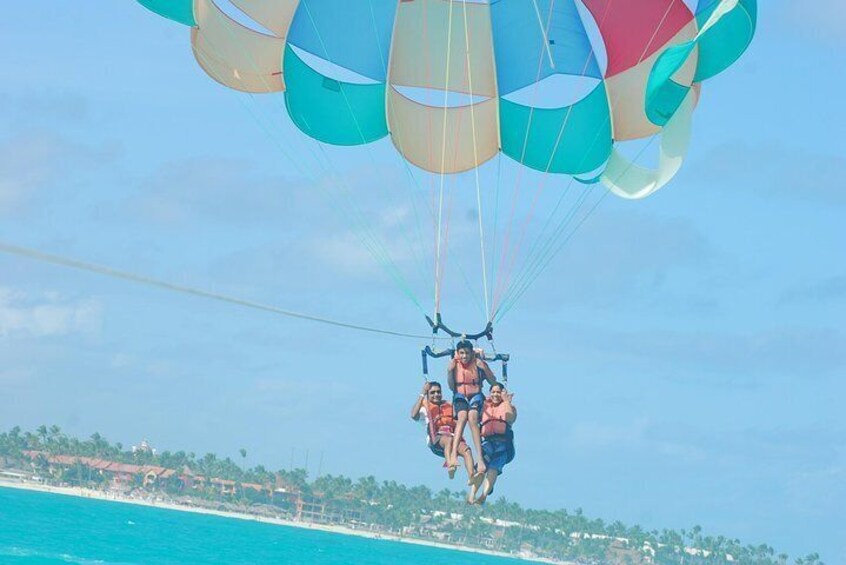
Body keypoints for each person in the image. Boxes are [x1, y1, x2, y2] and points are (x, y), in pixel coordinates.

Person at [447, 340, 497, 476]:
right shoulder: (455, 365)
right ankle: (453, 455)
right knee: (462, 417)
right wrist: (449, 372)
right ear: (458, 353)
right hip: (460, 396)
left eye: (467, 353)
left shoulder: (478, 364)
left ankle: (480, 460)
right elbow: (452, 387)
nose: (464, 356)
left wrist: (484, 367)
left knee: (473, 418)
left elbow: (493, 382)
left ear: (472, 353)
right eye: (461, 353)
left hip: (475, 396)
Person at [410, 381, 475, 482]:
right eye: (432, 393)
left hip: (453, 439)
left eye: (438, 392)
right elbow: (414, 415)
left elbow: (461, 418)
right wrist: (422, 393)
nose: (436, 394)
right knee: (447, 440)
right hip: (436, 441)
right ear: (428, 395)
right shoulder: (425, 409)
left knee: (467, 450)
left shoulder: (449, 406)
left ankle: (472, 477)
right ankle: (451, 465)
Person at [472, 382, 516, 505]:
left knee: (493, 467)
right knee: (483, 467)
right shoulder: (485, 406)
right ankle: (477, 493)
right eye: (493, 392)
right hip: (488, 442)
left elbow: (510, 419)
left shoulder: (509, 407)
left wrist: (506, 401)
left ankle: (483, 495)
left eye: (498, 392)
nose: (495, 394)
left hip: (503, 444)